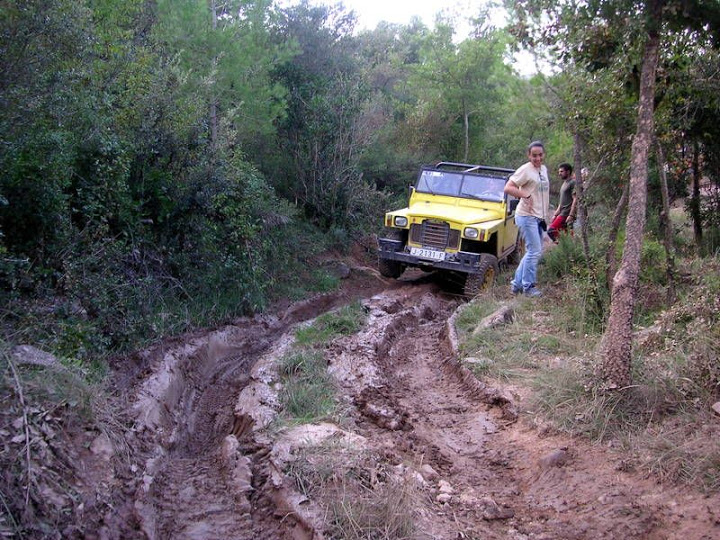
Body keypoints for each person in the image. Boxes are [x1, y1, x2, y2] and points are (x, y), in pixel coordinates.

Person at [503, 141, 550, 297]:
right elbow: (508, 187)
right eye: (534, 155)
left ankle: (516, 285)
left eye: (540, 155)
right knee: (535, 251)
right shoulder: (525, 170)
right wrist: (525, 195)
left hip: (539, 217)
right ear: (529, 155)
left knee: (533, 251)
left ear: (543, 155)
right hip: (526, 215)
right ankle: (528, 287)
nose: (537, 158)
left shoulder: (543, 169)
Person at [547, 163, 577, 242]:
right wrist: (555, 214)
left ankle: (564, 245)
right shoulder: (564, 183)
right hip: (562, 213)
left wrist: (571, 214)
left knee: (551, 231)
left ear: (568, 172)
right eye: (559, 172)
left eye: (561, 171)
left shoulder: (572, 182)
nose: (559, 174)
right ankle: (568, 248)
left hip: (566, 214)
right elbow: (561, 202)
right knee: (567, 235)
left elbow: (575, 199)